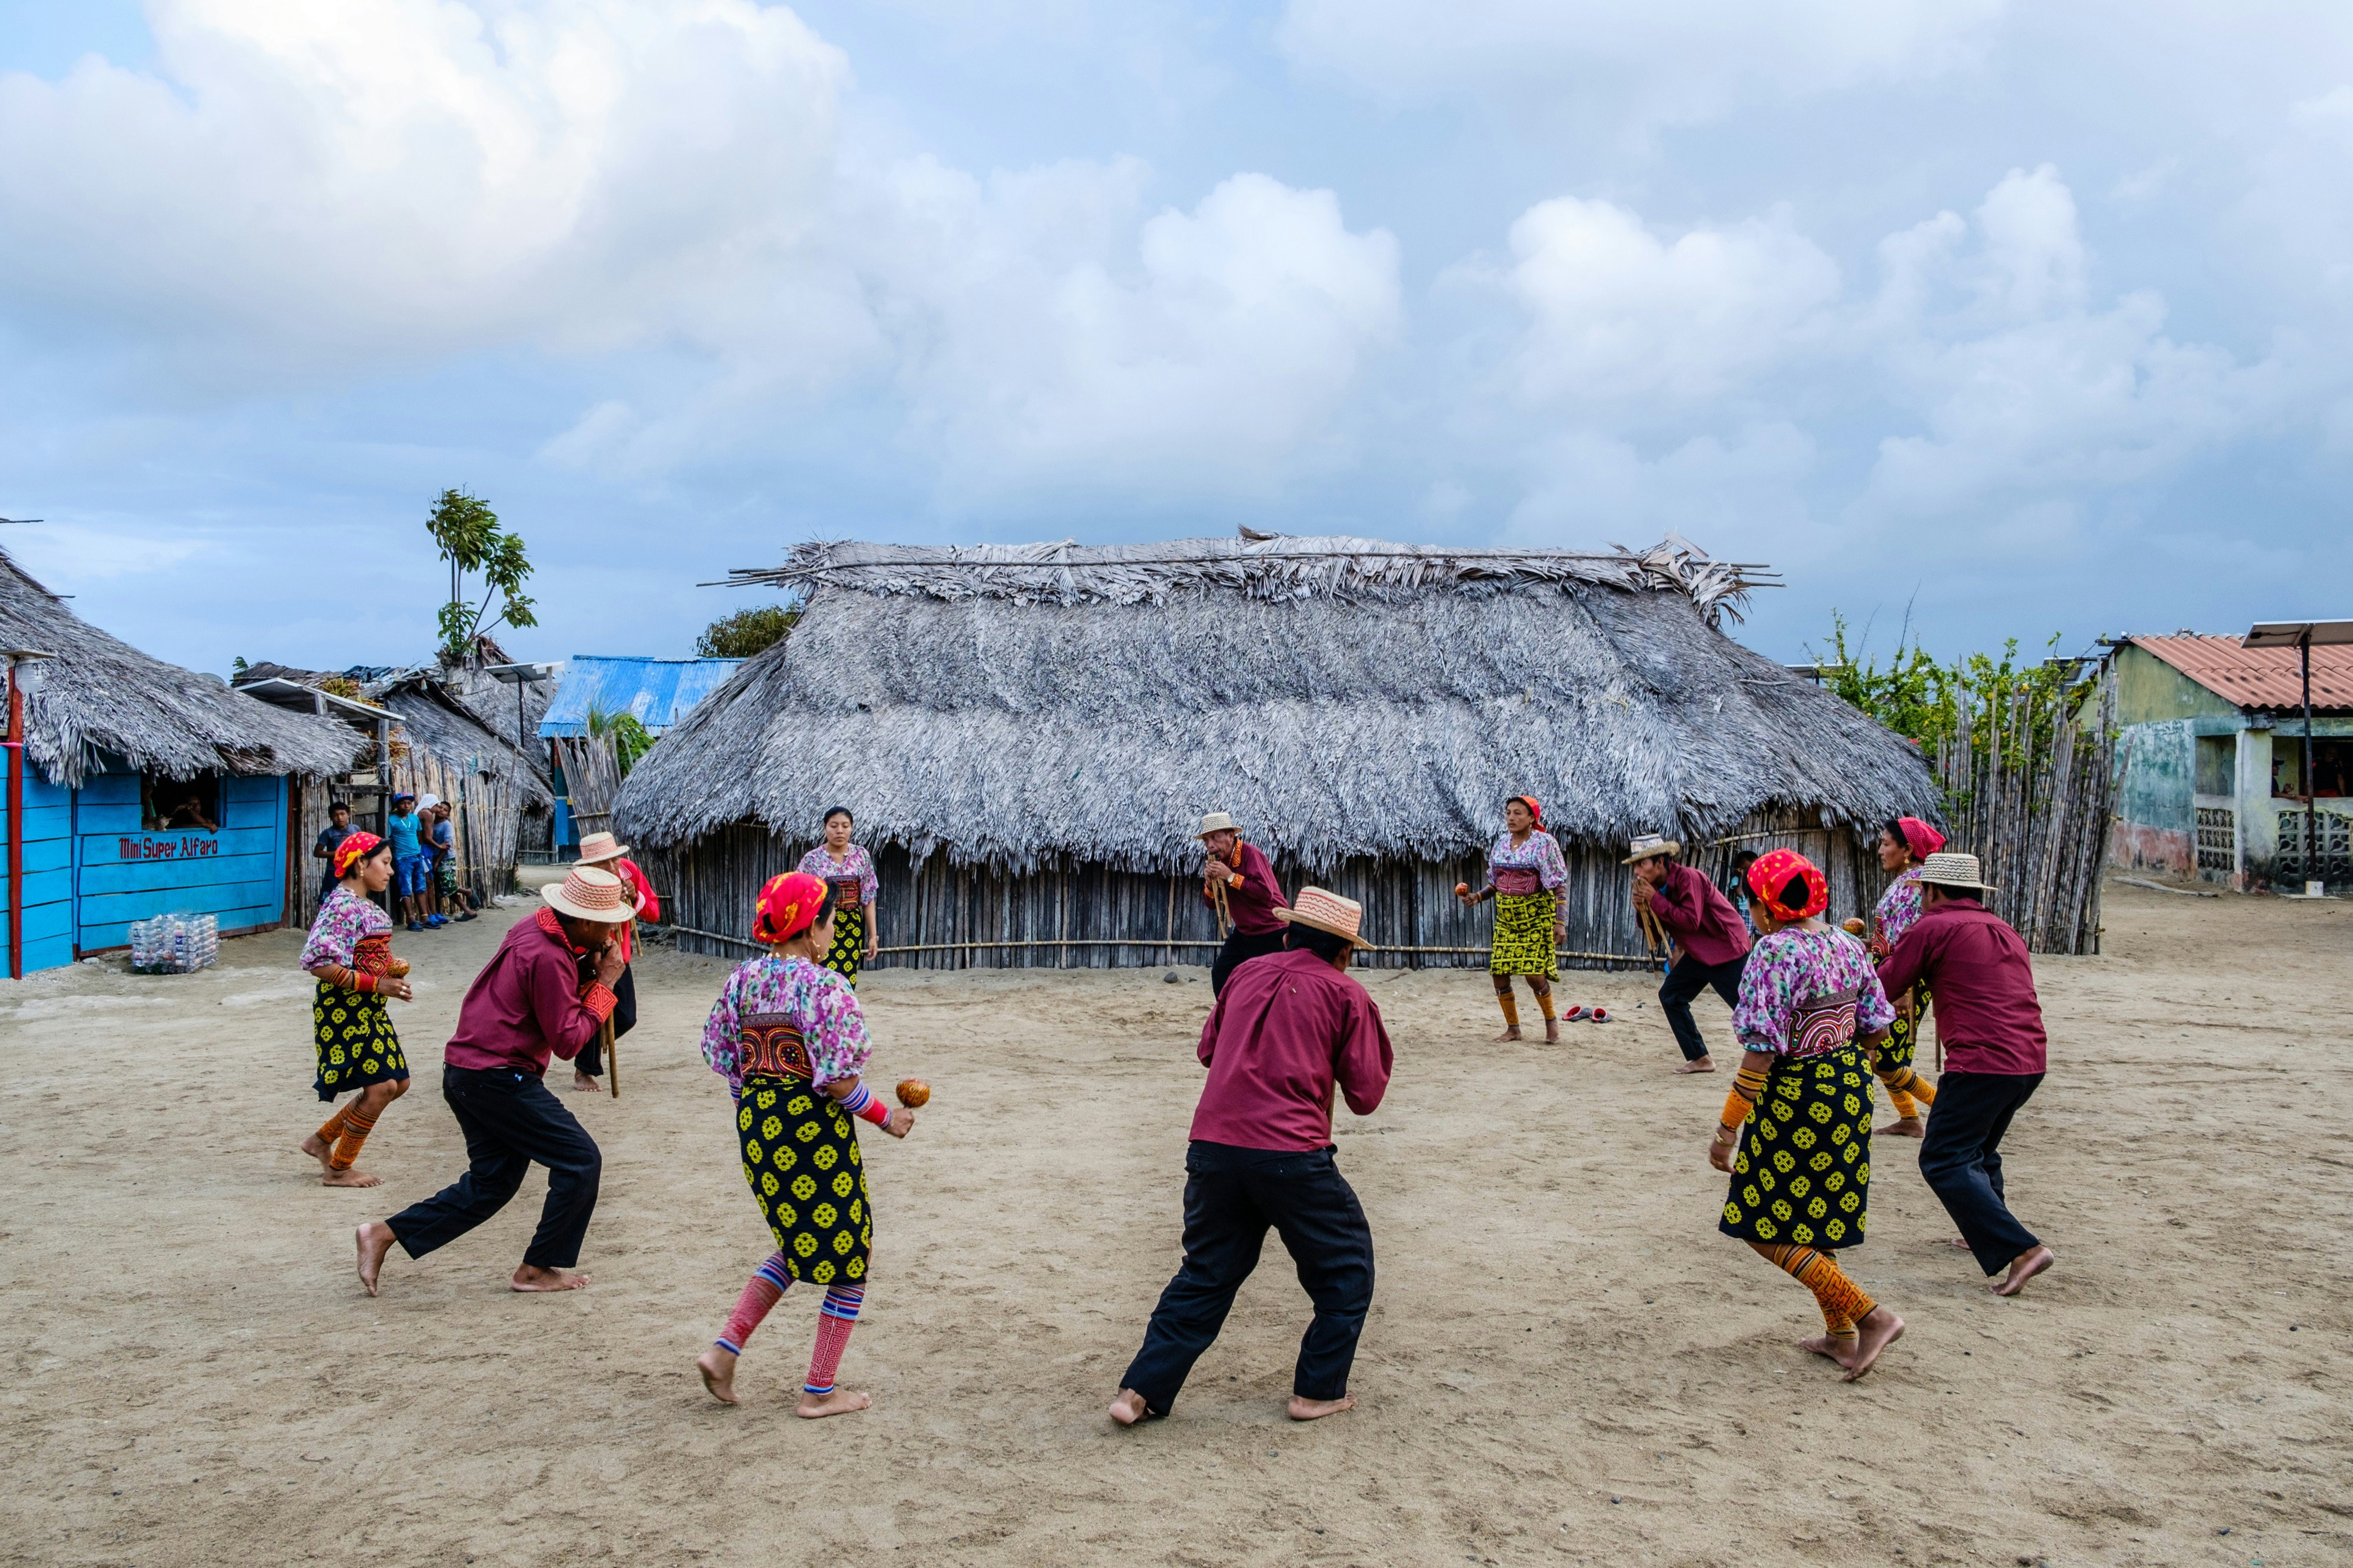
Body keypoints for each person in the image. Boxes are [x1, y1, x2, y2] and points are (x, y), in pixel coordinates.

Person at [1111, 886, 1392, 1427]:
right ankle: (1316, 1392)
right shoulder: (1347, 995)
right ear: (1345, 951)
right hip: (1291, 1153)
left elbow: (1208, 1052)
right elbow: (1366, 1096)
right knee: (1346, 1268)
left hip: (1213, 1148)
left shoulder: (1245, 974)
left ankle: (1137, 1392)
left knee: (1206, 1273)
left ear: (1287, 934)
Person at [693, 872, 916, 1415]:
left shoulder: (742, 981)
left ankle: (724, 1352)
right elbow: (838, 1081)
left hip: (758, 1129)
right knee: (851, 1257)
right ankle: (819, 1391)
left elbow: (726, 1060)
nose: (834, 929)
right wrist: (888, 1119)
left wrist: (761, 1112)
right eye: (830, 920)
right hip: (811, 1134)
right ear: (812, 929)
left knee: (799, 1244)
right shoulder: (823, 986)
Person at [353, 864, 633, 1296]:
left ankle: (383, 1234)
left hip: (468, 1071)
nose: (610, 935)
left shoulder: (534, 929)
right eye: (607, 926)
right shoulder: (549, 956)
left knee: (492, 1183)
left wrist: (589, 973)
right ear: (585, 921)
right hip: (498, 1076)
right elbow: (568, 1041)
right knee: (580, 1161)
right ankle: (537, 1269)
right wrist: (607, 983)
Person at [1709, 849, 1907, 1380]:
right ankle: (1842, 1335)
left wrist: (1726, 1130)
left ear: (1766, 907)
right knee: (1815, 1217)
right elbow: (1878, 1026)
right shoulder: (1847, 943)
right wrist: (1843, 1064)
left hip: (1795, 1095)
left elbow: (1760, 1052)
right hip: (1848, 1088)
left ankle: (1870, 1316)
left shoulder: (1773, 952)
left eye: (1750, 904)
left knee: (1760, 1223)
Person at [1877, 852, 2057, 1297]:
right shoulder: (2003, 929)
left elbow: (1883, 986)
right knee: (1978, 1149)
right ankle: (1985, 1231)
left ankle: (2021, 1248)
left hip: (1981, 1061)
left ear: (1933, 892)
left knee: (1942, 1158)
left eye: (1923, 894)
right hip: (2029, 1058)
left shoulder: (1932, 927)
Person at [298, 832, 414, 1187]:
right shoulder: (342, 906)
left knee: (400, 1083)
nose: (391, 871)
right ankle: (339, 1170)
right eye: (385, 862)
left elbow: (361, 957)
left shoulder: (363, 906)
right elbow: (317, 962)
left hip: (369, 1011)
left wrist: (390, 971)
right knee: (381, 1088)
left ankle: (320, 1141)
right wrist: (378, 984)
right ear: (361, 864)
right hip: (344, 1012)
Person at [1455, 795, 1579, 1042]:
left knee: (1534, 974)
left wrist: (1560, 922)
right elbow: (1497, 884)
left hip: (1535, 918)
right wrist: (1477, 897)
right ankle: (1513, 1028)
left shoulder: (1544, 844)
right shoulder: (1501, 844)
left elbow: (1558, 886)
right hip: (1507, 921)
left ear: (1532, 818)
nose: (1511, 817)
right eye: (1509, 813)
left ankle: (1551, 1022)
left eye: (1518, 813)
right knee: (1499, 972)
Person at [1628, 833, 1753, 1073]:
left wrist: (1655, 900)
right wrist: (1641, 909)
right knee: (1671, 996)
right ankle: (1700, 1058)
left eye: (1641, 864)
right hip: (1699, 952)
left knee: (1746, 1007)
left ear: (1660, 863)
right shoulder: (1656, 889)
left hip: (1725, 947)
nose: (1637, 872)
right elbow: (1655, 935)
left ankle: (1779, 1056)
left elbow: (1690, 922)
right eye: (1635, 865)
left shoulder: (1688, 878)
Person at [1860, 816, 1946, 1139]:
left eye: (1886, 844)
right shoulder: (1906, 882)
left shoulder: (1915, 886)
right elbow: (1894, 937)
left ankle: (1943, 1108)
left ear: (1908, 849)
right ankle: (1909, 1119)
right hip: (1892, 977)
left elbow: (1912, 943)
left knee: (1883, 1058)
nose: (1880, 850)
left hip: (1904, 982)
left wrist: (1903, 991)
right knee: (1883, 1054)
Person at [569, 830, 658, 1092]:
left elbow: (654, 913)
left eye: (615, 860)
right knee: (594, 1010)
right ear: (588, 866)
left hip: (619, 959)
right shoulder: (579, 883)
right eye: (603, 863)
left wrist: (633, 898)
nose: (612, 867)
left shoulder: (629, 872)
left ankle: (588, 1041)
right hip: (589, 958)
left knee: (626, 1017)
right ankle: (584, 1069)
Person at [1196, 812, 1291, 996]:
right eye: (1206, 840)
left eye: (1214, 838)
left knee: (1271, 987)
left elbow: (1265, 893)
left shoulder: (1251, 854)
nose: (1210, 845)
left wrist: (1230, 876)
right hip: (1245, 933)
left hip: (1272, 930)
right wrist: (1209, 884)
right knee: (1220, 973)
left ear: (1231, 836)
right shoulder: (1219, 862)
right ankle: (1229, 1020)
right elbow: (1210, 905)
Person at [797, 808, 879, 986]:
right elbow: (800, 894)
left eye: (845, 826)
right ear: (825, 827)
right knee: (821, 977)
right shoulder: (812, 860)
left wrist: (873, 936)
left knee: (846, 980)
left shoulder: (861, 856)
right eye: (834, 826)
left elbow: (868, 897)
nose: (840, 831)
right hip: (821, 925)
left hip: (851, 927)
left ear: (852, 828)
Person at [385, 792, 429, 933]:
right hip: (402, 859)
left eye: (409, 803)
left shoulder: (415, 819)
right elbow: (388, 839)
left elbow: (418, 836)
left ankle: (425, 918)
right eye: (403, 803)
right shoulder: (392, 820)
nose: (406, 806)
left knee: (421, 887)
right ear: (397, 805)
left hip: (417, 856)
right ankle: (411, 919)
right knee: (406, 890)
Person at [432, 805, 478, 922]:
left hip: (446, 859)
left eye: (445, 810)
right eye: (440, 808)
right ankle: (468, 911)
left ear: (448, 815)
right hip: (436, 858)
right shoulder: (432, 824)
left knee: (449, 886)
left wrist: (437, 861)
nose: (442, 810)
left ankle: (468, 892)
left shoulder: (446, 826)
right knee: (446, 889)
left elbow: (447, 845)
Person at [312, 799, 355, 903]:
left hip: (351, 870)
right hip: (333, 871)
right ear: (331, 818)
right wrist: (337, 854)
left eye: (342, 814)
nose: (340, 818)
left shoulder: (355, 830)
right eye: (335, 815)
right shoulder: (328, 833)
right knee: (331, 901)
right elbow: (317, 853)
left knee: (351, 900)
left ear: (348, 814)